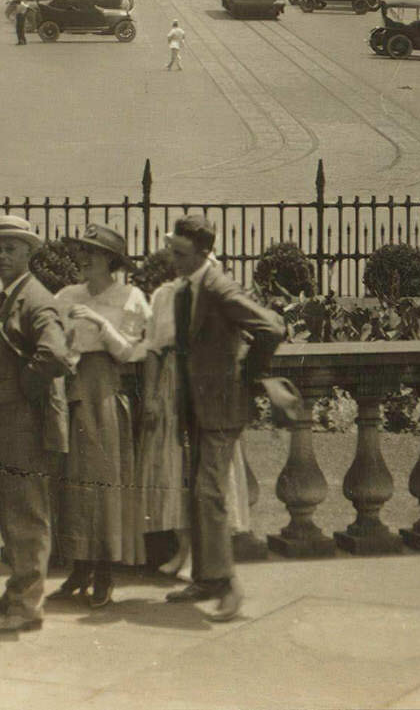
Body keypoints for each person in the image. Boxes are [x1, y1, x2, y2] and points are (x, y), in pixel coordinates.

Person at [161, 214, 284, 623]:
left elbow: (271, 327)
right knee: (198, 491)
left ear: (202, 252)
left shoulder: (219, 287)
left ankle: (229, 584)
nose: (172, 259)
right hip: (195, 407)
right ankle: (205, 579)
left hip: (221, 408)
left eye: (180, 253)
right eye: (171, 249)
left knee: (210, 493)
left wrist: (249, 379)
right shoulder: (185, 292)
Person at [0, 214, 71, 634]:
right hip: (1, 428)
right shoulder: (10, 296)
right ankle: (16, 591)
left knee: (26, 514)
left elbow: (55, 355)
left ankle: (27, 607)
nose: (0, 255)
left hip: (24, 427)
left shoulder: (37, 299)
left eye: (11, 248)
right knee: (9, 511)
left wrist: (23, 388)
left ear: (29, 253)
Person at [49, 224, 150, 608]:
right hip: (72, 390)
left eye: (93, 251)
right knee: (74, 481)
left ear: (111, 260)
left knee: (104, 480)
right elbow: (54, 339)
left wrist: (101, 325)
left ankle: (105, 573)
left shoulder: (130, 297)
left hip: (106, 391)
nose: (84, 258)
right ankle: (79, 568)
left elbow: (132, 352)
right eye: (82, 250)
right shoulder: (66, 295)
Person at [138, 268, 254, 578]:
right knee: (174, 467)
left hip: (210, 383)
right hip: (172, 386)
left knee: (210, 470)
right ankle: (185, 549)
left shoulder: (220, 293)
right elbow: (152, 348)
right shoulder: (164, 296)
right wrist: (150, 397)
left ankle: (209, 558)